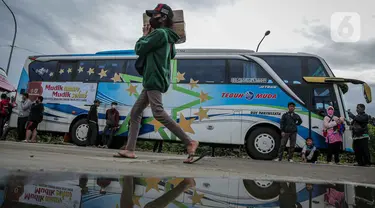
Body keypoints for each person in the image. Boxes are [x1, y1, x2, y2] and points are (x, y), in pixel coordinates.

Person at [115, 3, 199, 162]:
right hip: (154, 79)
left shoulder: (160, 34)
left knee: (158, 112)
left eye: (154, 15)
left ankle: (189, 142)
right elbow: (172, 55)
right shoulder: (169, 38)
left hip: (154, 78)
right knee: (135, 113)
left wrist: (145, 35)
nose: (151, 18)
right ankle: (130, 149)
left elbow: (139, 49)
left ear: (163, 18)